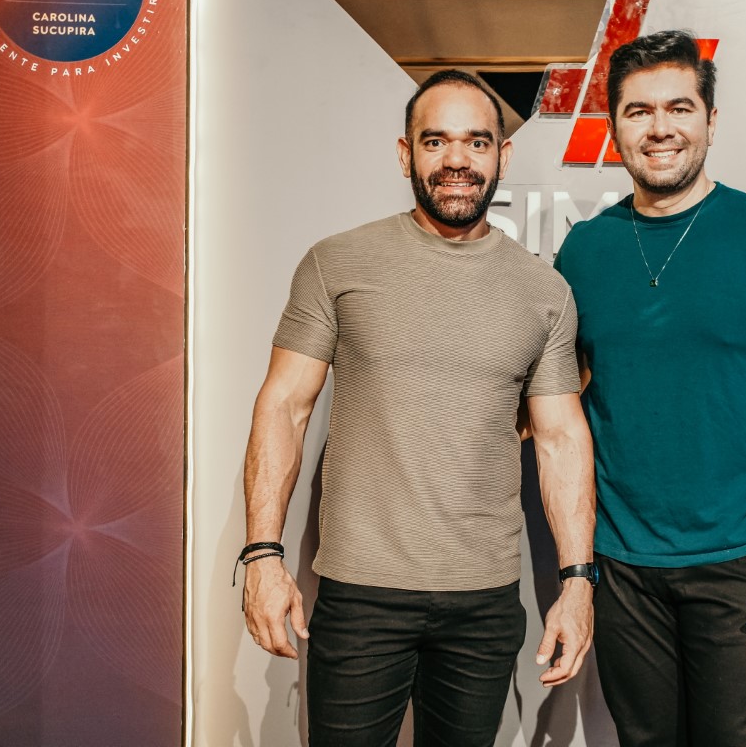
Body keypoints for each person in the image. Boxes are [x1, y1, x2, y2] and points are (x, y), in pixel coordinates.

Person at [239, 69, 597, 747]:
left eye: (477, 142)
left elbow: (560, 440)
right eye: (436, 141)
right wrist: (262, 555)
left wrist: (577, 583)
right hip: (360, 595)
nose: (457, 160)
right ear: (406, 154)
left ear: (502, 156)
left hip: (483, 603)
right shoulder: (336, 263)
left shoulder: (543, 291)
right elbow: (283, 407)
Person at [554, 31, 746, 746]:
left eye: (679, 108)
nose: (660, 128)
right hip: (623, 568)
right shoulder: (585, 250)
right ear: (613, 125)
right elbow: (559, 405)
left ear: (711, 121)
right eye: (638, 111)